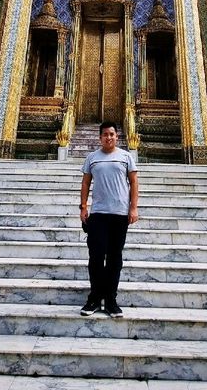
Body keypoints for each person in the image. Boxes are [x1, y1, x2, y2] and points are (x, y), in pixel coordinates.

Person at [79, 121, 139, 318]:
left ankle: (110, 299)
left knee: (114, 258)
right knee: (96, 257)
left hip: (119, 214)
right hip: (98, 214)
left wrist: (133, 208)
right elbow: (86, 182)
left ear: (116, 136)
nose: (109, 137)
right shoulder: (92, 158)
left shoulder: (126, 157)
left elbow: (133, 182)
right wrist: (83, 207)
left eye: (112, 134)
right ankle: (95, 298)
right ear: (100, 137)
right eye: (105, 134)